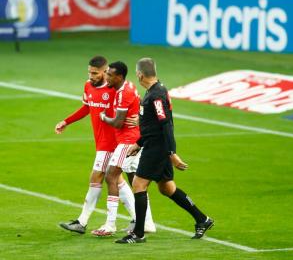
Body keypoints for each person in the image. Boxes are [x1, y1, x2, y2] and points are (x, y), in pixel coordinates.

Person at [115, 58, 213, 244]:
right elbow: (153, 125)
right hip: (153, 144)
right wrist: (139, 142)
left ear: (139, 74)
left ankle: (138, 233)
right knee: (167, 187)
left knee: (138, 184)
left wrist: (172, 153)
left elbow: (165, 124)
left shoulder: (156, 95)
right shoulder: (154, 91)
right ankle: (202, 219)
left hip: (158, 148)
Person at [55, 56, 139, 234]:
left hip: (113, 142)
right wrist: (66, 121)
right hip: (100, 141)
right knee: (118, 181)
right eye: (89, 72)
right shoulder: (88, 85)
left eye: (95, 73)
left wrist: (139, 116)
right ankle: (138, 219)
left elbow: (132, 103)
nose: (91, 76)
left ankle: (83, 222)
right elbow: (86, 107)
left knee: (97, 178)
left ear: (105, 72)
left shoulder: (115, 89)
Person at [91, 61, 155, 236]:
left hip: (128, 142)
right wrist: (141, 118)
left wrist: (103, 117)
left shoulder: (123, 93)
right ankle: (147, 223)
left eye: (110, 75)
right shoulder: (128, 87)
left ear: (119, 77)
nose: (107, 77)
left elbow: (118, 123)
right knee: (137, 182)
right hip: (133, 139)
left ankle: (110, 224)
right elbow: (141, 102)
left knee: (111, 176)